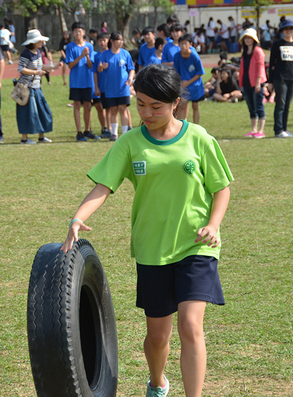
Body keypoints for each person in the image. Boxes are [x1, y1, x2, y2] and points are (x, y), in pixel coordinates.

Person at [60, 63, 232, 397]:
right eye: (140, 104)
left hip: (196, 245)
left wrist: (213, 224)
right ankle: (157, 380)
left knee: (190, 325)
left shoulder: (198, 138)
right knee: (157, 337)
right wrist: (77, 217)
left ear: (174, 103)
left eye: (155, 106)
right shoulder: (130, 142)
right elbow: (103, 187)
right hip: (153, 249)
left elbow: (221, 188)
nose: (146, 112)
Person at [16, 29, 58, 144]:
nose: (41, 42)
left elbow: (41, 66)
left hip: (37, 87)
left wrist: (53, 66)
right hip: (26, 88)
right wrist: (36, 73)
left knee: (42, 111)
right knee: (26, 112)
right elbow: (21, 69)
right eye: (39, 40)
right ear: (33, 42)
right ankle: (24, 139)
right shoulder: (26, 53)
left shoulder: (38, 52)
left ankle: (41, 136)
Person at [97, 31, 135, 141]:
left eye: (122, 40)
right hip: (110, 88)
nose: (121, 42)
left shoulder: (125, 54)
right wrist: (102, 67)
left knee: (123, 109)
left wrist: (130, 79)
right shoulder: (105, 54)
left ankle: (124, 134)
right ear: (112, 41)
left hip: (123, 87)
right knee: (113, 109)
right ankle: (114, 133)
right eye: (119, 39)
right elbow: (99, 69)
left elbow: (131, 69)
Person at [65, 21, 100, 142]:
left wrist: (87, 56)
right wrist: (80, 56)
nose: (77, 33)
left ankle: (88, 130)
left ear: (84, 32)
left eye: (79, 31)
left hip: (87, 81)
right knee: (77, 105)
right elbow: (70, 65)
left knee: (88, 105)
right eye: (75, 31)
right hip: (75, 81)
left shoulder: (89, 46)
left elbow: (91, 66)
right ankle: (79, 132)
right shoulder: (70, 47)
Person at [268, 19, 293, 138]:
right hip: (280, 78)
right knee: (280, 104)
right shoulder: (277, 44)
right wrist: (270, 82)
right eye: (286, 29)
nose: (289, 31)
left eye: (291, 29)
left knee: (287, 105)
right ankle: (278, 130)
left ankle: (284, 129)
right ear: (282, 31)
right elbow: (271, 64)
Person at [239, 29, 267, 138]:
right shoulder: (245, 52)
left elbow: (261, 66)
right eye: (245, 38)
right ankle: (254, 129)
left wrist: (258, 83)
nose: (247, 40)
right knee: (251, 107)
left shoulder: (258, 51)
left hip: (256, 83)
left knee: (259, 106)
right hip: (247, 82)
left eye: (249, 38)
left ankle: (261, 130)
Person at [173, 34, 205, 124]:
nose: (183, 46)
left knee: (195, 106)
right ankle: (181, 126)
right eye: (181, 44)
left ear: (190, 44)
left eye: (185, 44)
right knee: (182, 105)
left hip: (195, 85)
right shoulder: (177, 56)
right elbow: (176, 71)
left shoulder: (194, 56)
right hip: (183, 85)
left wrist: (188, 82)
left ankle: (196, 126)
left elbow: (200, 72)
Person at [93, 32, 112, 138]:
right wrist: (96, 86)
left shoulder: (112, 54)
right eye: (100, 40)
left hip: (110, 86)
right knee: (100, 107)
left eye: (104, 40)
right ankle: (104, 127)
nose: (102, 42)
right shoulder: (96, 56)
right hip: (101, 85)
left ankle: (110, 128)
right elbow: (95, 72)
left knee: (109, 108)